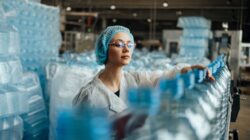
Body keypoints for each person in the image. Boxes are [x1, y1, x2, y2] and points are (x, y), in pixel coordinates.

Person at [73, 25, 214, 117]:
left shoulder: (134, 80)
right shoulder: (89, 95)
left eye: (129, 44)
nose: (126, 49)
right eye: (119, 44)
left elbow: (164, 77)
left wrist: (189, 69)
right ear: (104, 48)